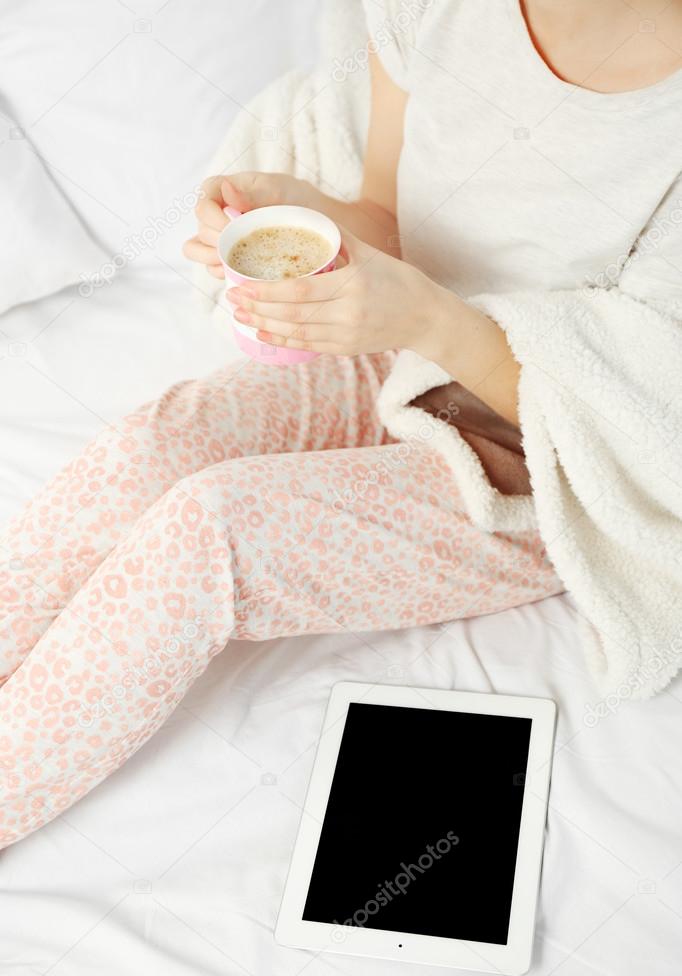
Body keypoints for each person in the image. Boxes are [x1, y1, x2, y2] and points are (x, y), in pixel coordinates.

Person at [2, 0, 681, 847]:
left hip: (542, 461)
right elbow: (390, 224)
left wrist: (431, 320)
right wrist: (298, 212)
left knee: (211, 530)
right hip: (399, 353)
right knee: (160, 444)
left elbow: (637, 414)